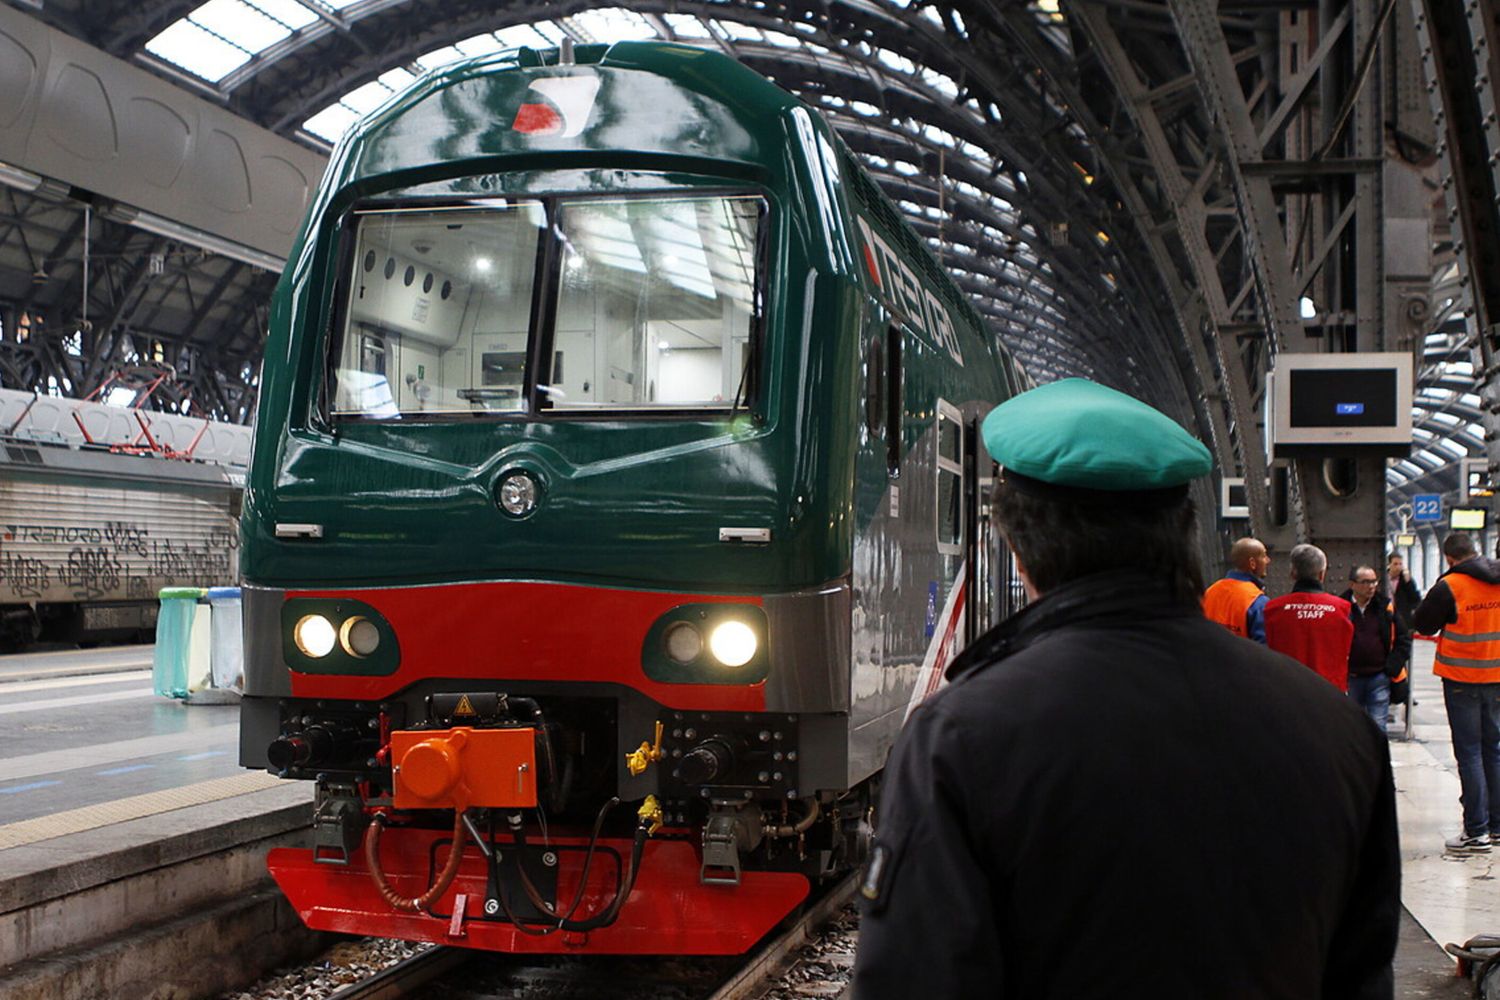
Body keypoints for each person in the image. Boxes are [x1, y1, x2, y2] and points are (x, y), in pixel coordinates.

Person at [850, 378, 1398, 999]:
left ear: (1019, 549)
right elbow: (1364, 976)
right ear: (1185, 536)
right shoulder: (1340, 731)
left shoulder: (961, 737)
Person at [1412, 532, 1500, 855]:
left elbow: (1423, 625)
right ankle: (1497, 826)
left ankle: (1476, 831)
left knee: (1470, 752)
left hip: (1462, 680)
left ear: (1449, 558)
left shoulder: (1450, 586)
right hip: (1498, 678)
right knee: (1495, 749)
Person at [1263, 544, 1354, 691]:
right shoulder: (1343, 609)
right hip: (1330, 693)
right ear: (1321, 574)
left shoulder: (1272, 609)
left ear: (1293, 573)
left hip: (1286, 691)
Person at [1341, 565, 1412, 730]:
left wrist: (1391, 667)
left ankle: (1377, 756)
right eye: (1365, 582)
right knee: (1352, 726)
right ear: (1352, 584)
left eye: (1374, 581)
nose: (1371, 586)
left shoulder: (1385, 607)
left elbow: (1403, 638)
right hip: (1351, 678)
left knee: (1378, 727)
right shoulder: (1341, 607)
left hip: (1379, 677)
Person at [1203, 537, 1271, 642]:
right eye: (1264, 556)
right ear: (1252, 563)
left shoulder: (1210, 591)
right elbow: (1263, 648)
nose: (1268, 560)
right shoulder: (1257, 601)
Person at [1386, 553, 1422, 630]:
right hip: (1386, 618)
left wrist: (1408, 582)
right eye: (1395, 564)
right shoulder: (1384, 579)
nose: (1398, 567)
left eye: (1400, 564)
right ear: (1389, 565)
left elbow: (1416, 599)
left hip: (1403, 620)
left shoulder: (1406, 580)